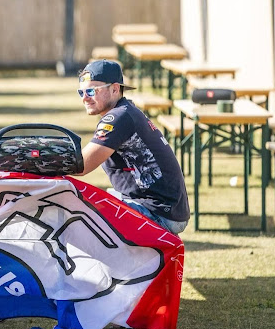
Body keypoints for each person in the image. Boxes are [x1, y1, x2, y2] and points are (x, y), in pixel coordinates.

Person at [73, 59, 189, 235]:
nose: (85, 98)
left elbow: (81, 165)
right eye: (81, 92)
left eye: (91, 91)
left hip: (157, 213)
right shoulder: (125, 111)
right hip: (163, 208)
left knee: (75, 213)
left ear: (115, 89)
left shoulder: (118, 118)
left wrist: (38, 163)